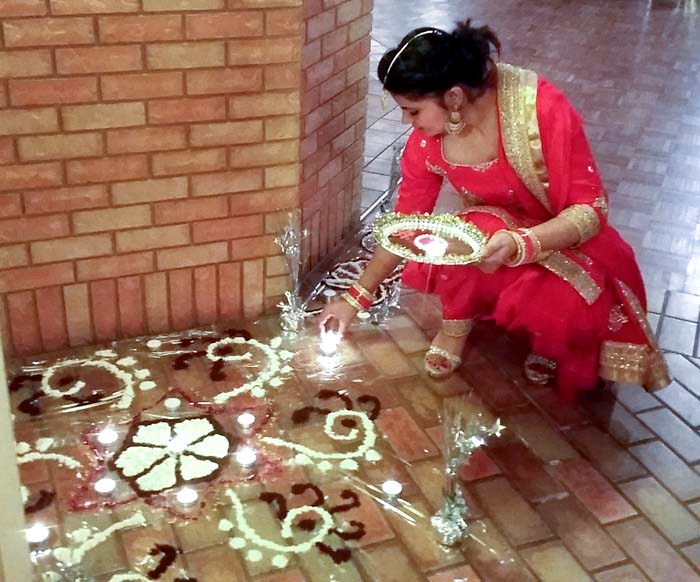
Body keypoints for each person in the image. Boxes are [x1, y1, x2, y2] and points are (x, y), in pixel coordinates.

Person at [319, 19, 670, 401]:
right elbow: (404, 223)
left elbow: (591, 209)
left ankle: (546, 341)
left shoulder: (539, 110)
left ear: (453, 98)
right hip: (488, 235)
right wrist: (356, 298)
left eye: (413, 110)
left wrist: (524, 242)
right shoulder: (427, 143)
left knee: (571, 313)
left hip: (557, 236)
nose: (407, 122)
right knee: (453, 236)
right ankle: (456, 324)